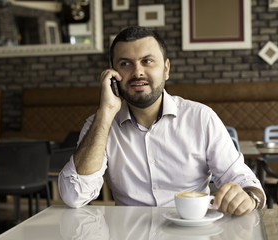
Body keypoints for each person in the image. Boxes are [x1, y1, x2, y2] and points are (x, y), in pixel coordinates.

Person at [58, 26, 266, 215]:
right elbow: (74, 196)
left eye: (147, 61)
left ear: (166, 69)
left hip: (193, 234)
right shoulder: (100, 125)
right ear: (113, 75)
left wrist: (249, 197)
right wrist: (105, 113)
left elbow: (245, 181)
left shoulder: (201, 118)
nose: (138, 72)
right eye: (125, 64)